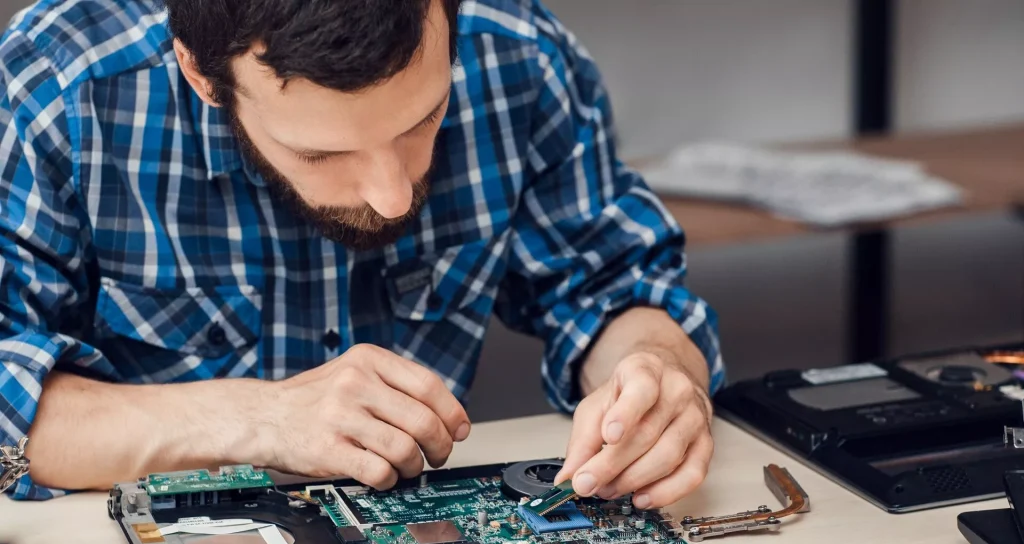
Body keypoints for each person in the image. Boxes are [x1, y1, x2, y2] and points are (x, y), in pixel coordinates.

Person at [0, 0, 723, 506]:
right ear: (200, 73)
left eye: (425, 117)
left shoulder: (518, 52)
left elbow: (612, 287)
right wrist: (263, 420)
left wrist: (657, 373)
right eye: (321, 152)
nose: (392, 196)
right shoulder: (63, 87)